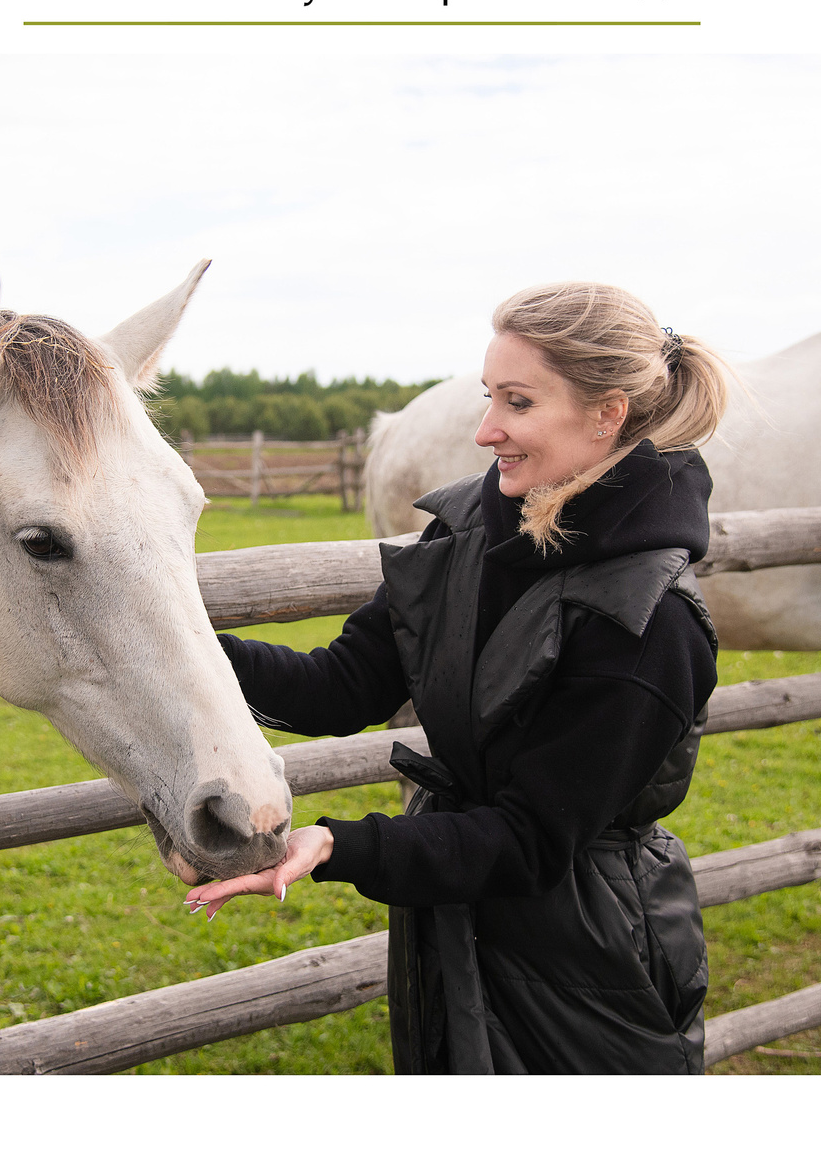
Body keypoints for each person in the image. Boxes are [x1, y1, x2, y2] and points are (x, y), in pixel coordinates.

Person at [186, 281, 736, 1074]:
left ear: (607, 414)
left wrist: (337, 846)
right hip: (458, 919)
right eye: (489, 396)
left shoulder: (650, 621)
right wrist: (182, 650)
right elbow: (341, 683)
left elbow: (528, 840)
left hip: (589, 954)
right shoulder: (469, 534)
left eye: (518, 402)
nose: (486, 431)